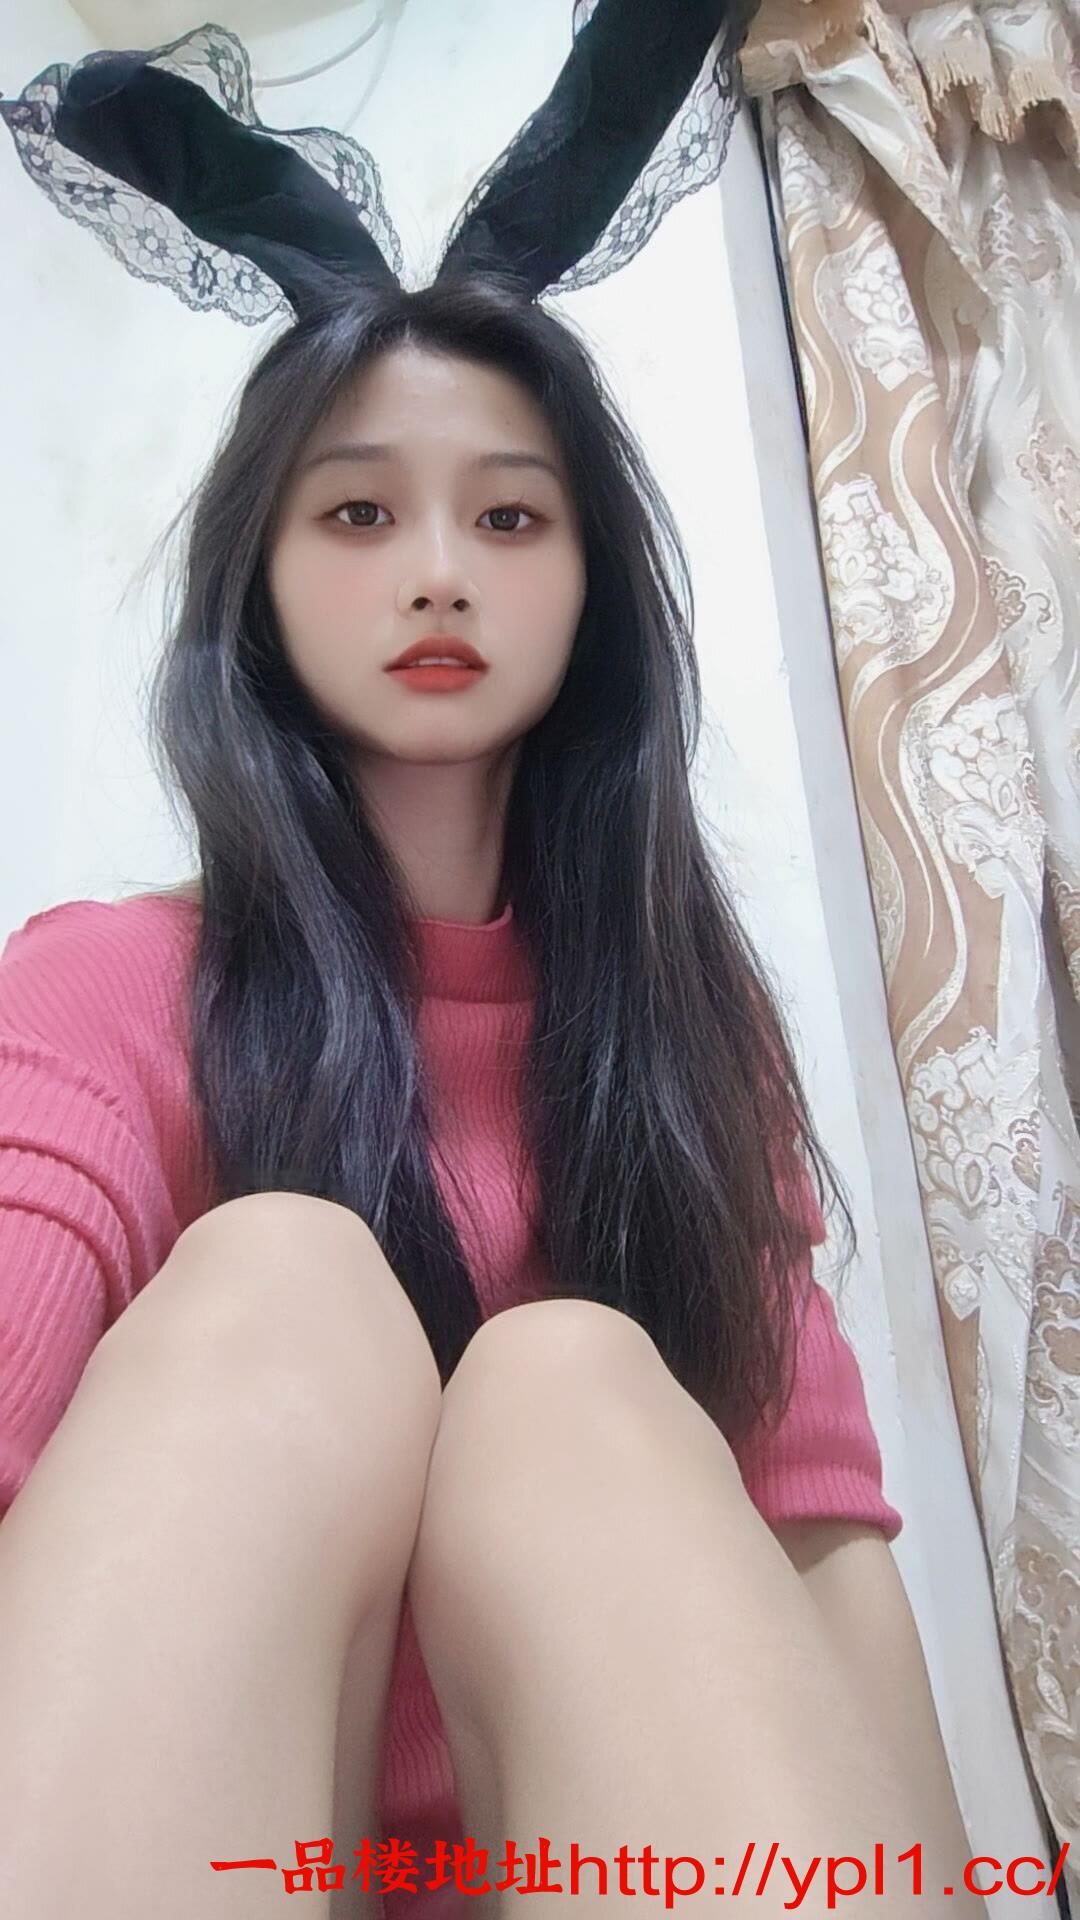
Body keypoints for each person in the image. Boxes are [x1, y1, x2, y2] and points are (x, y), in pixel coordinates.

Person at [0, 15, 984, 1920]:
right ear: (260, 583)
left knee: (568, 1382)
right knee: (284, 1276)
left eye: (510, 515)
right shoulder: (102, 991)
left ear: (589, 589)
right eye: (360, 512)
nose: (439, 570)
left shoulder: (690, 1039)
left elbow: (819, 1559)